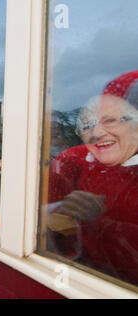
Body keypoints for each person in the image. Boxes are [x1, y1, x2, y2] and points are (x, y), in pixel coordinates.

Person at [47, 70, 138, 285]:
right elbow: (38, 221)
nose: (96, 133)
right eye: (86, 125)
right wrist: (61, 208)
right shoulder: (72, 160)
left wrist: (101, 221)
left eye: (110, 121)